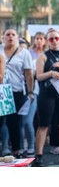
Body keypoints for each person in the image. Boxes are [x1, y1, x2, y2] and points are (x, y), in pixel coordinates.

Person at [32, 29, 59, 167]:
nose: (55, 41)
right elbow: (38, 76)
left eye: (57, 38)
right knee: (44, 124)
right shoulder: (43, 56)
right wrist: (51, 73)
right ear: (47, 41)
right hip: (47, 93)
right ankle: (38, 156)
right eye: (51, 39)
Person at [0, 28, 34, 158]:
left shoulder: (24, 53)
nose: (10, 37)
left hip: (16, 91)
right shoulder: (0, 50)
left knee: (14, 122)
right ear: (3, 37)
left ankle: (16, 150)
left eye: (13, 34)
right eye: (7, 34)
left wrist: (30, 92)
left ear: (17, 37)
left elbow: (29, 74)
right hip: (1, 90)